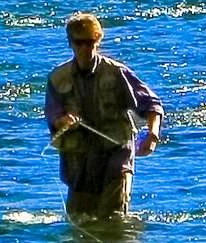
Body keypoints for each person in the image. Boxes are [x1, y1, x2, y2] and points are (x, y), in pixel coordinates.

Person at [44, 12, 165, 218]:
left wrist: (152, 135)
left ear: (98, 41)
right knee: (78, 221)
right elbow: (53, 117)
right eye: (79, 43)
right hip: (79, 163)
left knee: (113, 217)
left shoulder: (116, 73)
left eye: (90, 42)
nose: (84, 49)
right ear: (70, 43)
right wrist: (64, 121)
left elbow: (152, 104)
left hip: (116, 156)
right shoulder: (57, 78)